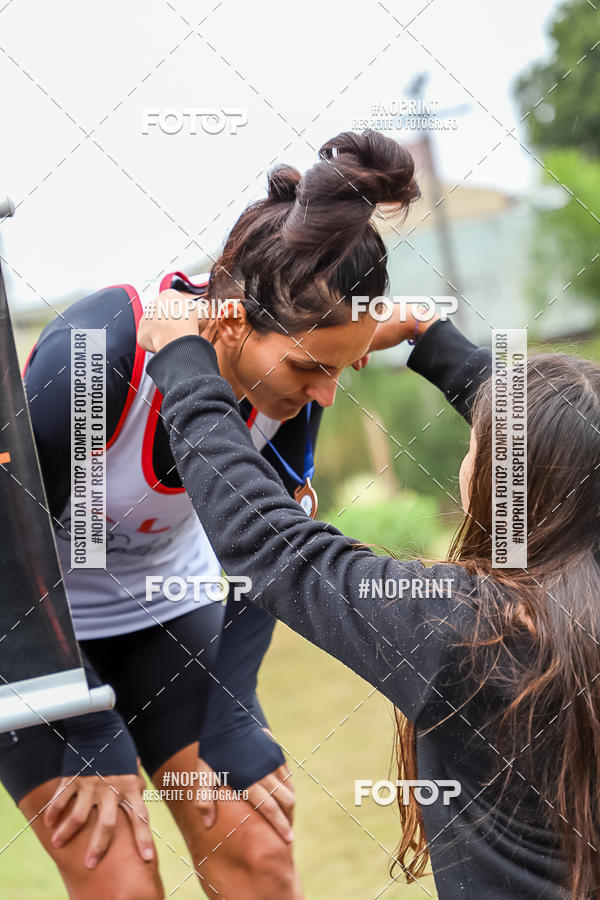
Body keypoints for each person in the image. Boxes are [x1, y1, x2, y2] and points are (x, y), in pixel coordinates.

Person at [0, 128, 420, 898]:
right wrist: (87, 724)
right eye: (307, 367)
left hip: (169, 611)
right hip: (36, 631)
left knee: (257, 853)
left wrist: (231, 712)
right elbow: (3, 553)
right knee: (118, 877)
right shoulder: (95, 359)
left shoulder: (288, 386)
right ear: (230, 322)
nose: (324, 394)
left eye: (336, 369)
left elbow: (270, 550)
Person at [138, 292, 600, 898]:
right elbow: (566, 443)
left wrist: (184, 364)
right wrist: (432, 339)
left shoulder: (472, 630)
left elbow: (267, 543)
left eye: (476, 446)